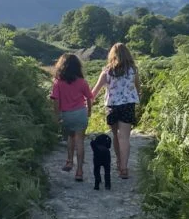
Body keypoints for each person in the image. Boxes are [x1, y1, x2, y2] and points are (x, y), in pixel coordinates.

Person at [91, 43, 140, 180]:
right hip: (128, 106)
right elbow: (137, 87)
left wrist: (85, 103)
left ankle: (119, 162)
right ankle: (124, 168)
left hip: (112, 106)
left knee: (116, 136)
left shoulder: (106, 71)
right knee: (124, 137)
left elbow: (94, 92)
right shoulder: (133, 70)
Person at [50, 53, 92, 182]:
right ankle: (79, 171)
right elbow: (89, 98)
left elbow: (55, 100)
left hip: (67, 114)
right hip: (80, 113)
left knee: (70, 137)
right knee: (80, 141)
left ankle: (69, 161)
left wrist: (57, 115)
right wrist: (89, 111)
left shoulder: (58, 83)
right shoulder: (82, 82)